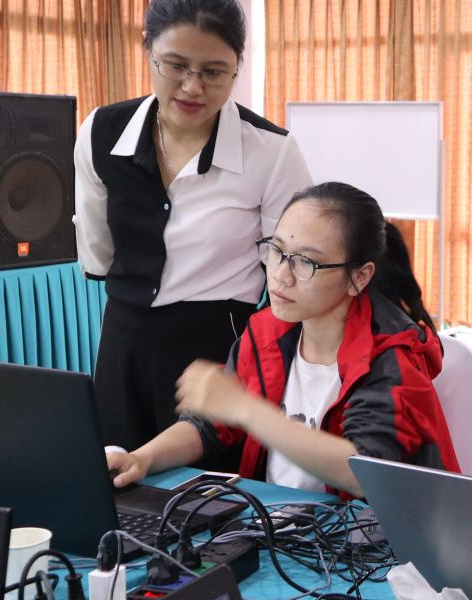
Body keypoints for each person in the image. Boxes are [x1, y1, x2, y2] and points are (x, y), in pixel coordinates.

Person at [105, 182, 460, 498]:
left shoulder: (392, 357)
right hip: (286, 531)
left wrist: (246, 409)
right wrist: (141, 458)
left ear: (359, 277)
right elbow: (211, 426)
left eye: (305, 262)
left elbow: (365, 472)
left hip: (373, 547)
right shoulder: (265, 333)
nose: (280, 275)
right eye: (276, 251)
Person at [74, 0, 313, 449]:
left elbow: (289, 276)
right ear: (147, 50)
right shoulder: (101, 132)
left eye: (214, 71)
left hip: (217, 353)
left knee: (209, 497)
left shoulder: (271, 151)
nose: (192, 87)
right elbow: (98, 251)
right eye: (176, 65)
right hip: (122, 344)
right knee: (116, 481)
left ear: (238, 66)